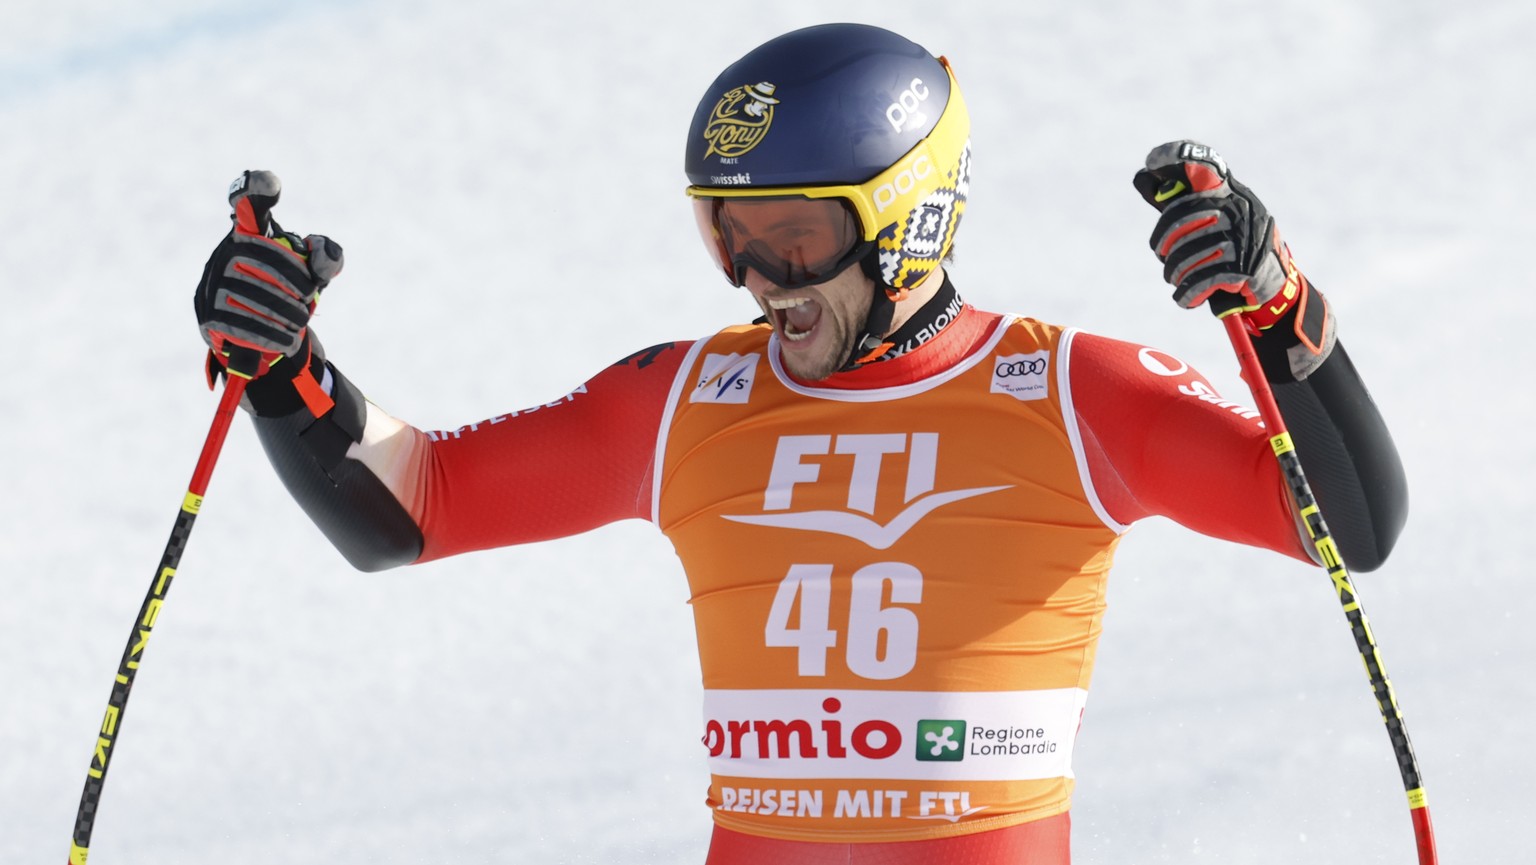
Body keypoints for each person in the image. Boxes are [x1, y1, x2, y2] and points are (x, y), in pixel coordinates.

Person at [193, 22, 1407, 865]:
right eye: (730, 237)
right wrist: (281, 367)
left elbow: (1351, 528)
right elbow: (410, 509)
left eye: (794, 237)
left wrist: (1280, 312)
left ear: (908, 218)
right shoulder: (686, 400)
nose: (761, 281)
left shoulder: (1067, 394)